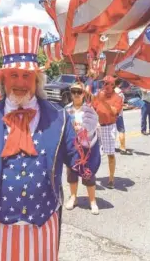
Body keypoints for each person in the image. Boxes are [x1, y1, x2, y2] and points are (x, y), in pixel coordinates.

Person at [0, 25, 101, 261]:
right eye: (13, 75)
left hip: (42, 228)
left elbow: (84, 169)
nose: (20, 82)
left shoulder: (59, 118)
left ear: (37, 80)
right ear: (3, 80)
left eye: (26, 75)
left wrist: (90, 140)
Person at [64, 82, 99, 215]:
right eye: (74, 92)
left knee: (88, 173)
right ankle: (73, 198)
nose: (76, 94)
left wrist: (84, 129)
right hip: (72, 147)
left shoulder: (89, 109)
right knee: (72, 173)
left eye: (79, 92)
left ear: (84, 94)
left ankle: (92, 201)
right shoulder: (66, 109)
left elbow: (94, 124)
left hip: (86, 147)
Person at [92, 76, 123, 189]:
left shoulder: (117, 98)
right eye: (104, 83)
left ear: (113, 85)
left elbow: (114, 111)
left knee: (110, 154)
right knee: (94, 153)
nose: (105, 85)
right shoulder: (100, 94)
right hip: (97, 126)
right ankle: (92, 176)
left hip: (109, 127)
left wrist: (104, 102)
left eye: (107, 83)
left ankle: (111, 179)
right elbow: (93, 107)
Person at [114, 78, 132, 155]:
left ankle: (108, 146)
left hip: (109, 115)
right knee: (121, 131)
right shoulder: (120, 93)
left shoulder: (109, 91)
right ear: (120, 84)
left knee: (110, 131)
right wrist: (126, 106)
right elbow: (120, 105)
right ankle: (122, 148)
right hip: (118, 115)